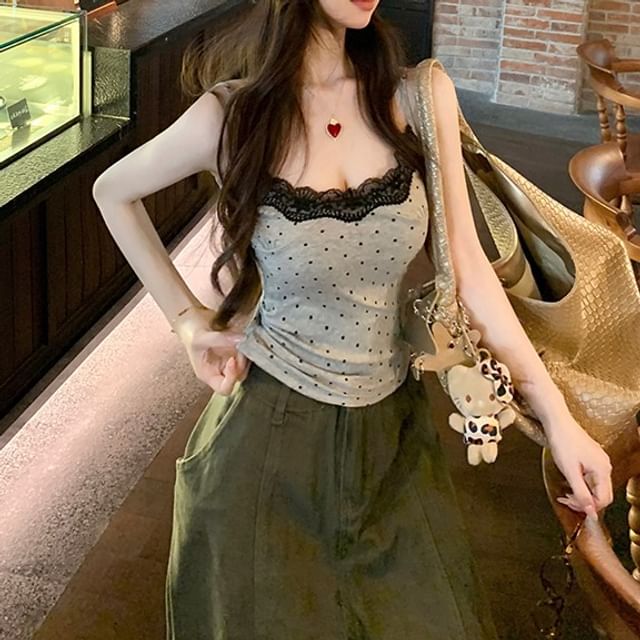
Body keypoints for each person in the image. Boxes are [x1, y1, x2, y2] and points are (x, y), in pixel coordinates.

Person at [92, 0, 613, 638]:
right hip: (266, 443)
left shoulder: (418, 96)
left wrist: (559, 420)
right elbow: (112, 192)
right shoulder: (231, 116)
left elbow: (470, 272)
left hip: (393, 441)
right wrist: (188, 321)